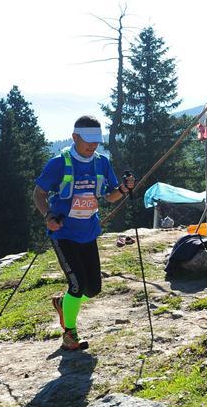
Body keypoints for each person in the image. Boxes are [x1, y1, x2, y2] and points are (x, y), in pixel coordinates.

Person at [32, 116, 135, 350]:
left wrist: (123, 189)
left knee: (93, 289)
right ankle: (70, 334)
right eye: (88, 141)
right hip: (64, 233)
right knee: (77, 286)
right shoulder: (59, 162)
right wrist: (48, 216)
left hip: (88, 232)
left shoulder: (102, 163)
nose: (93, 146)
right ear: (75, 137)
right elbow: (39, 193)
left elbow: (109, 196)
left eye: (96, 141)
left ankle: (64, 303)